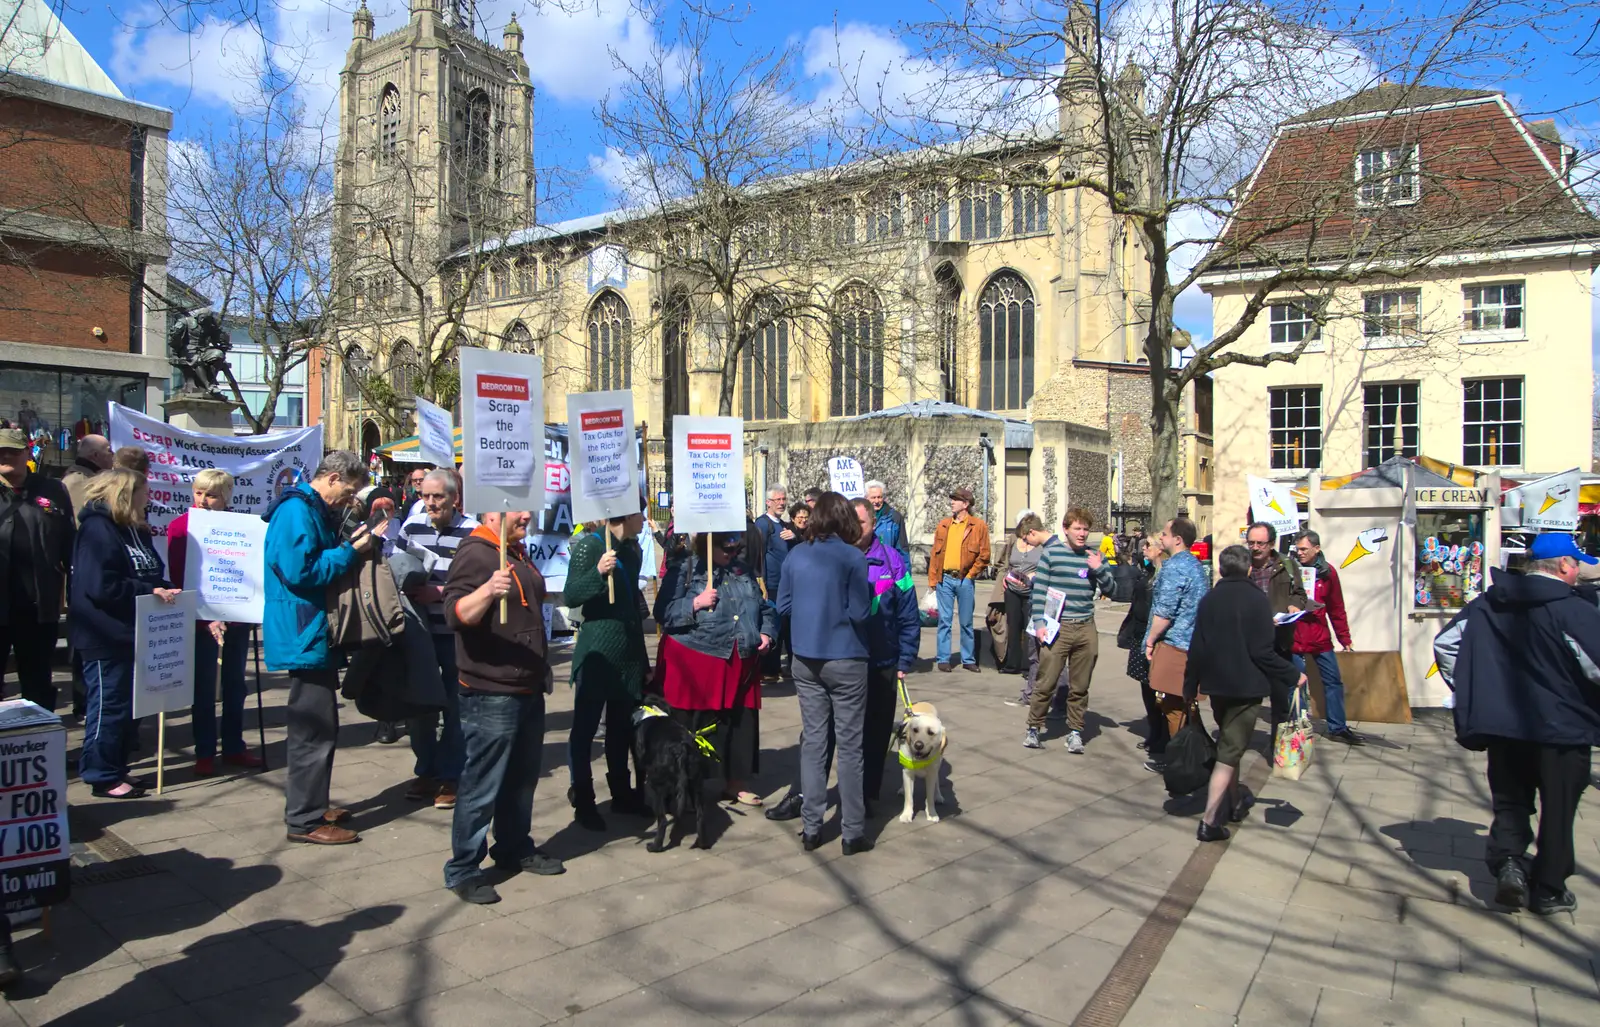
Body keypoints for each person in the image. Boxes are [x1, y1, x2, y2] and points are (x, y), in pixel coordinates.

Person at [1433, 533, 1600, 915]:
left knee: (1510, 802)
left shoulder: (1490, 602)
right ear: (1563, 566)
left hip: (1505, 726)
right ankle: (1549, 889)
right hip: (1563, 729)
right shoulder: (1573, 610)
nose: (1577, 571)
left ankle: (1509, 863)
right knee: (1558, 810)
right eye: (1575, 564)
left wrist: (1475, 691)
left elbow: (1446, 645)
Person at [441, 508, 564, 903]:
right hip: (491, 690)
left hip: (525, 685)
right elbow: (455, 613)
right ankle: (463, 867)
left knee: (521, 779)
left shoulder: (513, 549)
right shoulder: (476, 553)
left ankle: (513, 846)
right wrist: (486, 592)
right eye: (520, 507)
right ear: (493, 512)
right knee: (482, 784)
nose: (529, 513)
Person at [263, 451, 382, 845]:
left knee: (320, 724)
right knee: (313, 729)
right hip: (304, 629)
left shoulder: (307, 509)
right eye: (348, 492)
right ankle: (305, 818)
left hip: (311, 630)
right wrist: (351, 552)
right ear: (331, 478)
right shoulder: (297, 510)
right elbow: (302, 570)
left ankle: (312, 805)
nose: (350, 501)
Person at [69, 467, 181, 798]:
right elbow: (100, 586)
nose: (149, 499)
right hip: (104, 635)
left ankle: (117, 767)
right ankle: (100, 774)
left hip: (137, 632)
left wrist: (163, 588)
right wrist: (148, 591)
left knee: (131, 709)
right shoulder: (97, 530)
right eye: (144, 493)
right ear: (125, 495)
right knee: (109, 705)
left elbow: (152, 572)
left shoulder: (137, 529)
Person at [1184, 545, 1304, 842]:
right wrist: (1292, 674)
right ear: (1249, 568)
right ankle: (1210, 821)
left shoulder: (1209, 600)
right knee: (1229, 753)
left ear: (1221, 570)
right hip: (1245, 687)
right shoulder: (1256, 600)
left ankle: (1235, 802)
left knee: (1230, 743)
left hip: (1216, 685)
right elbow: (1262, 652)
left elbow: (1197, 647)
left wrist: (1190, 686)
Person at [778, 491, 873, 854]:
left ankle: (812, 827)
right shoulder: (853, 557)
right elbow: (861, 614)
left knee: (814, 744)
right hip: (847, 656)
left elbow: (783, 604)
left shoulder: (796, 555)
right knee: (850, 748)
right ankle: (851, 832)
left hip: (805, 656)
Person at [653, 530, 775, 806]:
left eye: (736, 548)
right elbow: (663, 613)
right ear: (708, 545)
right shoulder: (685, 569)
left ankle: (737, 782)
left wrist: (767, 633)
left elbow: (766, 609)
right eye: (727, 548)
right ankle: (682, 784)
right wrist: (695, 603)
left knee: (740, 722)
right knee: (693, 724)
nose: (733, 554)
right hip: (699, 656)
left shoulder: (743, 570)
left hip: (740, 658)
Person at [166, 470, 263, 777]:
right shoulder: (181, 526)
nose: (203, 501)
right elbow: (181, 576)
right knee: (204, 689)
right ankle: (204, 750)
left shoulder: (241, 526)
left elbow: (250, 569)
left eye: (211, 495)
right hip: (200, 620)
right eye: (198, 493)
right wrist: (206, 617)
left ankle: (234, 746)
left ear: (225, 498)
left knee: (236, 685)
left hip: (236, 618)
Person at [393, 470, 474, 809]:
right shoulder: (412, 528)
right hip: (420, 635)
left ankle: (452, 775)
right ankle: (426, 769)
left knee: (457, 708)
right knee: (420, 706)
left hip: (457, 634)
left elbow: (477, 584)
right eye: (425, 496)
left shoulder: (473, 532)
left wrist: (438, 593)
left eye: (437, 497)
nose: (429, 503)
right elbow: (393, 569)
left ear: (454, 498)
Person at [565, 513, 650, 831]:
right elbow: (571, 594)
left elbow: (631, 608)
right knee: (585, 730)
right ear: (625, 513)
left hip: (626, 654)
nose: (644, 519)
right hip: (597, 652)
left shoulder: (632, 550)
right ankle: (584, 799)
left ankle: (621, 793)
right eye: (639, 512)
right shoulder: (590, 546)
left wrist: (642, 660)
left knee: (621, 729)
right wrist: (599, 573)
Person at [1024, 508, 1116, 754]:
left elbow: (1113, 590)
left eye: (1085, 529)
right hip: (1058, 627)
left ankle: (1075, 731)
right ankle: (1033, 727)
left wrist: (1099, 569)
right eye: (1077, 528)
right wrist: (1040, 625)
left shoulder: (1094, 556)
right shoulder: (1052, 554)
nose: (1082, 533)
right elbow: (1040, 590)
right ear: (1066, 529)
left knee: (1080, 684)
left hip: (1086, 627)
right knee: (1047, 680)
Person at [0, 428, 75, 709]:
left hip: (37, 606)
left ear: (26, 455)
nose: (6, 457)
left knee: (37, 683)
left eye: (13, 451)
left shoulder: (52, 489)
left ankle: (41, 746)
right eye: (1, 452)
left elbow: (69, 542)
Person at [852, 498, 919, 809]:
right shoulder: (838, 558)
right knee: (846, 733)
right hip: (846, 661)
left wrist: (905, 659)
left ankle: (868, 794)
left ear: (874, 524)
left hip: (883, 662)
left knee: (877, 733)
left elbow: (908, 613)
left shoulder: (893, 561)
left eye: (861, 523)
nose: (854, 530)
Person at [1143, 517, 1209, 774]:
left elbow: (1165, 613)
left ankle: (1182, 763)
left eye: (1165, 533)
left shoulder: (1174, 567)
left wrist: (1150, 640)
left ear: (1178, 539)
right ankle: (1198, 755)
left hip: (1175, 646)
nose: (1161, 537)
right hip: (1193, 645)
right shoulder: (1196, 565)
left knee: (1173, 708)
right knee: (1186, 706)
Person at [1291, 529, 1362, 745]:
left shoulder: (1328, 573)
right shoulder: (1289, 570)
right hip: (1294, 637)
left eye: (1304, 549)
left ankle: (1337, 727)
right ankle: (1298, 726)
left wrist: (1345, 638)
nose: (1300, 553)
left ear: (1316, 548)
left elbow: (1336, 608)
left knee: (1333, 681)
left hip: (1320, 638)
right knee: (1297, 684)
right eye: (1297, 549)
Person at [1245, 521, 1308, 732]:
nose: (1255, 547)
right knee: (1246, 701)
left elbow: (1300, 594)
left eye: (1260, 543)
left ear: (1271, 544)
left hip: (1279, 642)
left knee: (1280, 701)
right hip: (1249, 644)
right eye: (1251, 542)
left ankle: (1278, 748)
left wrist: (1294, 606)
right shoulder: (1242, 565)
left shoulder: (1287, 566)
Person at [930, 487, 991, 672]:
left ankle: (968, 659)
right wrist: (933, 580)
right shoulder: (944, 525)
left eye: (955, 500)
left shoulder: (978, 526)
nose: (951, 503)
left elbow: (985, 555)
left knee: (966, 621)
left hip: (965, 579)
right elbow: (935, 554)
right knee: (945, 621)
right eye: (952, 500)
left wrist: (971, 574)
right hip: (945, 579)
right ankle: (943, 658)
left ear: (965, 504)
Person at [1119, 533, 1166, 770]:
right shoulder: (1146, 572)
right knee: (1145, 686)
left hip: (1153, 637)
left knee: (1157, 688)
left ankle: (1161, 733)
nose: (1143, 548)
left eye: (1148, 545)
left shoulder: (1163, 576)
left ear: (1160, 549)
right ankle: (1154, 730)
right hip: (1140, 634)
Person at [992, 513, 1047, 676]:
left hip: (1031, 591)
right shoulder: (1013, 541)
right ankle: (1012, 663)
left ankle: (1030, 666)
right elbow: (1004, 563)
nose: (1023, 538)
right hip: (1012, 590)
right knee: (1013, 627)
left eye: (1025, 534)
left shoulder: (1041, 546)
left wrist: (1034, 576)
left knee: (1030, 629)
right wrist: (1004, 577)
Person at [753, 487, 794, 680]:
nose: (781, 503)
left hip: (785, 584)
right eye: (777, 499)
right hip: (771, 585)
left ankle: (775, 667)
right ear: (768, 502)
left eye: (784, 499)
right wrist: (761, 583)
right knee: (772, 625)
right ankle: (767, 669)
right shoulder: (763, 524)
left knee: (783, 625)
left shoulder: (784, 524)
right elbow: (758, 554)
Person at [61, 433, 112, 514]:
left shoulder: (90, 478)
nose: (112, 455)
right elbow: (77, 520)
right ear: (96, 455)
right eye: (109, 451)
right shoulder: (77, 481)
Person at [864, 480, 910, 562]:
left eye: (879, 497)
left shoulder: (895, 518)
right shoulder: (861, 517)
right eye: (873, 497)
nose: (877, 501)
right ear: (866, 498)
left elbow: (903, 550)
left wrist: (906, 573)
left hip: (889, 567)